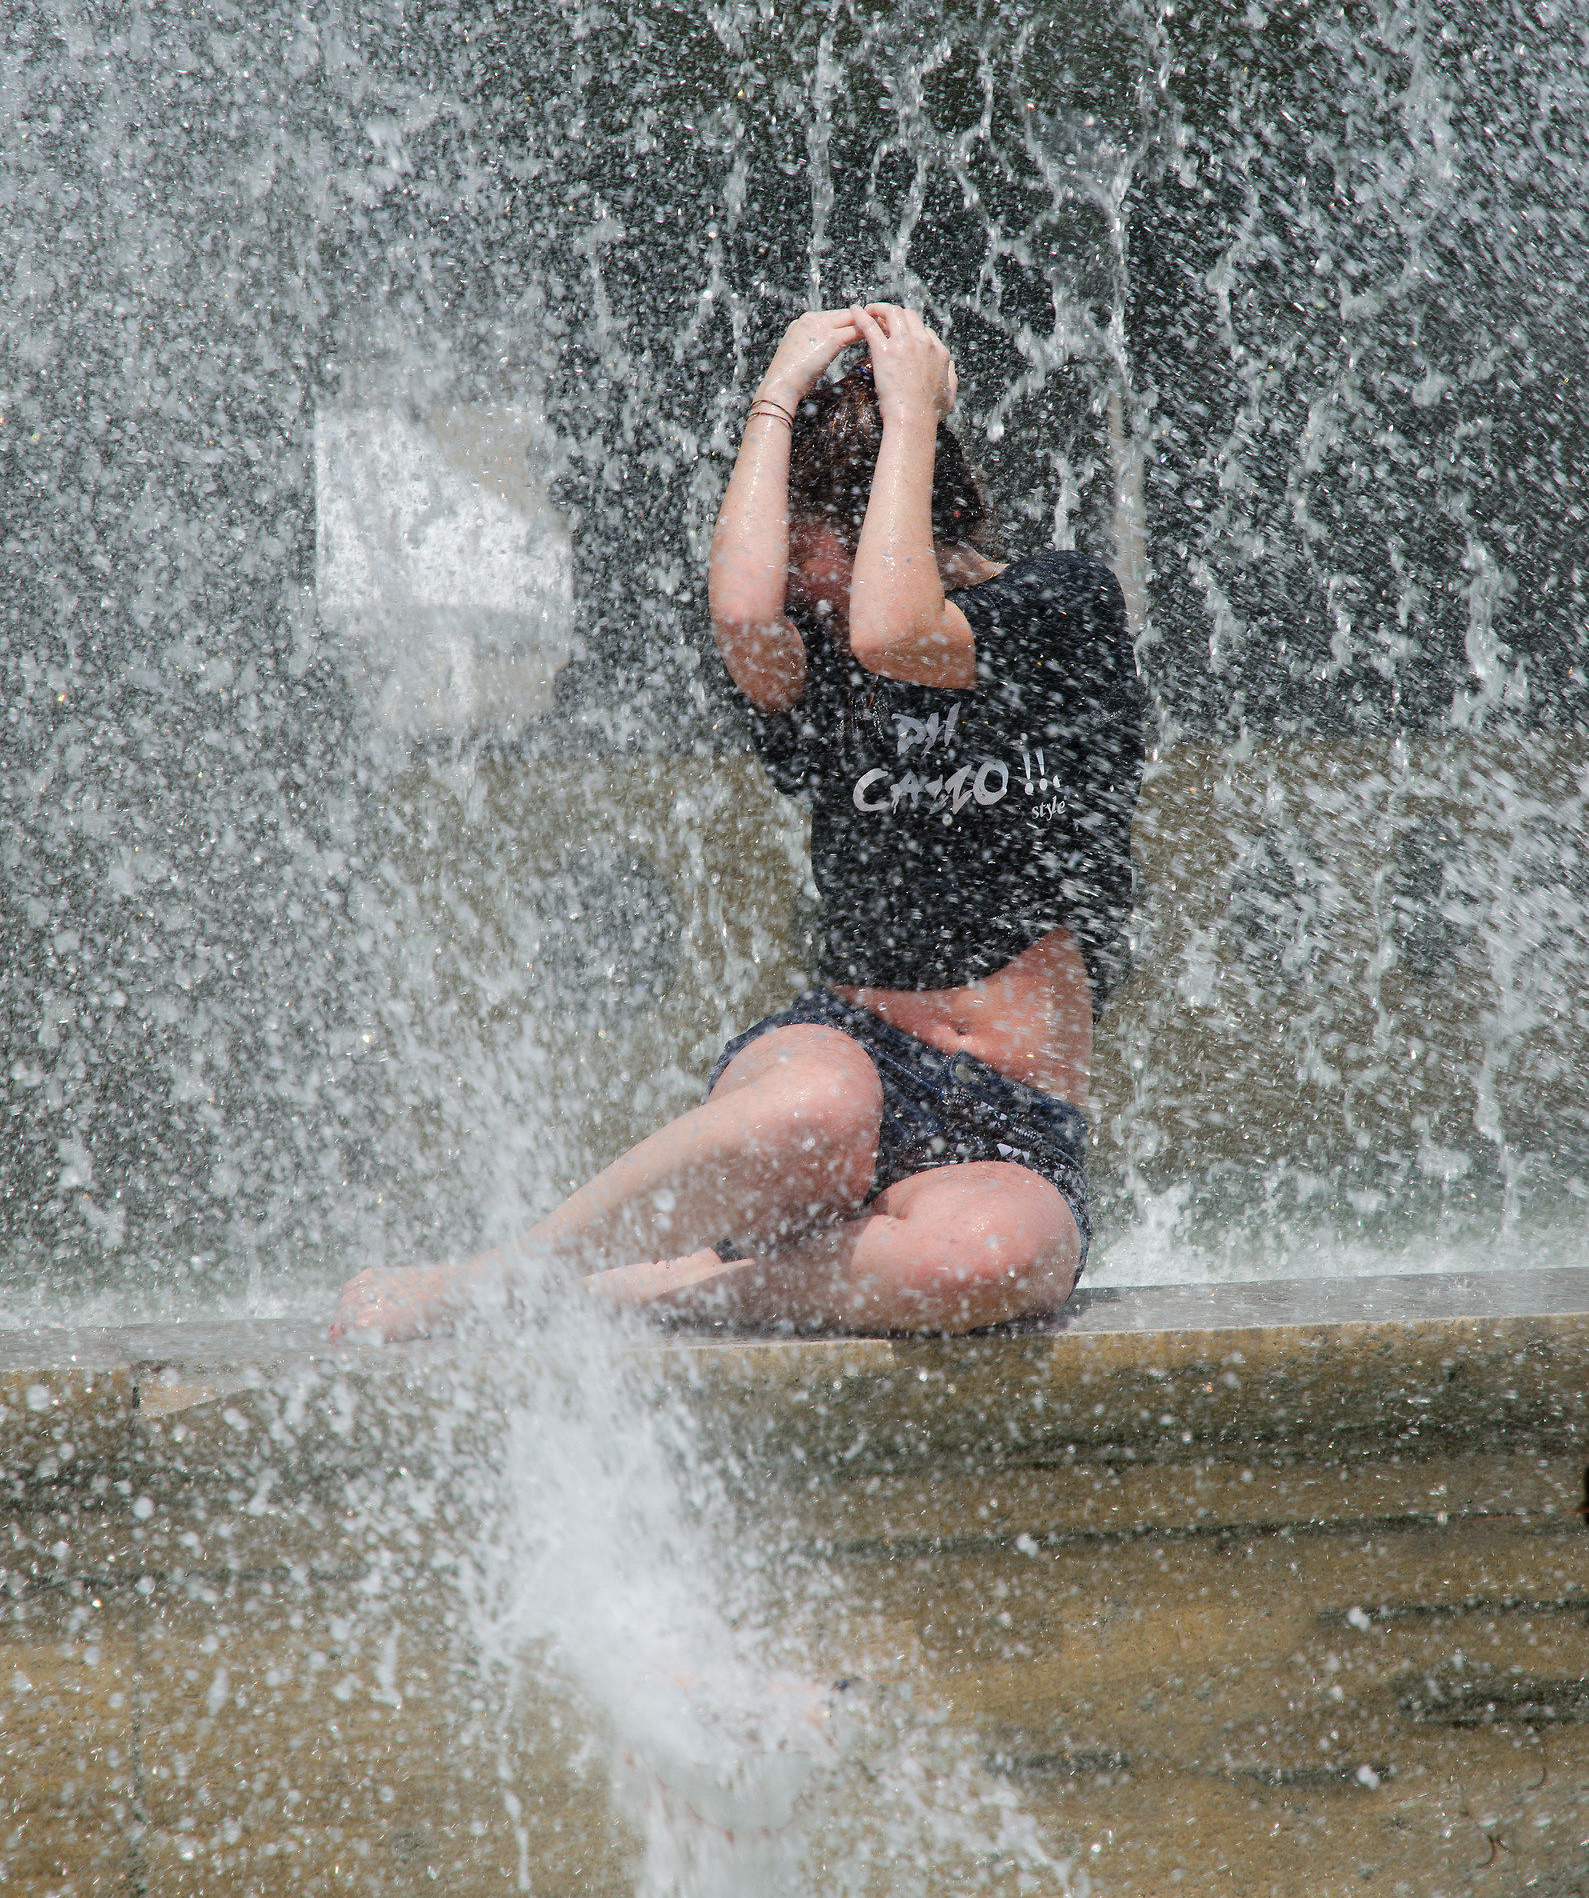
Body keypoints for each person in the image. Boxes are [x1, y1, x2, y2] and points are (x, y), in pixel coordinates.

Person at [331, 303, 1142, 1343]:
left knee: (974, 1264)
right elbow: (743, 616)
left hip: (1010, 1121)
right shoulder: (823, 658)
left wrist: (908, 414)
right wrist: (776, 394)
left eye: (817, 552)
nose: (801, 582)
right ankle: (495, 1281)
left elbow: (900, 623)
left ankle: (637, 1295)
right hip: (850, 1058)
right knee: (812, 1115)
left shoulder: (1057, 609)